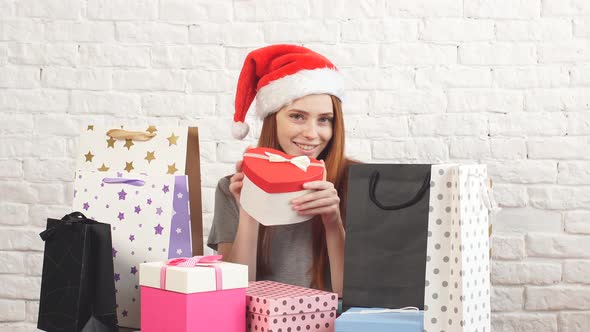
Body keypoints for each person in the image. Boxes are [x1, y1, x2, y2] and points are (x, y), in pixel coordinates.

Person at [207, 44, 354, 296]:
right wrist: (250, 210)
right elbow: (233, 294)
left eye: (324, 119)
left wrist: (333, 222)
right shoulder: (232, 187)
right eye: (297, 116)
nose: (311, 133)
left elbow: (354, 295)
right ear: (273, 119)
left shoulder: (356, 182)